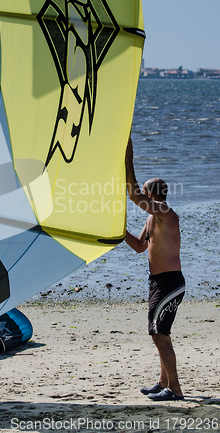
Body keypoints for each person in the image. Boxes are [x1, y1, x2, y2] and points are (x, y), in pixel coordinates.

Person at [124, 138, 185, 401]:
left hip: (170, 282)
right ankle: (163, 382)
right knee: (159, 334)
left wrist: (128, 159)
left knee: (161, 336)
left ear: (151, 195)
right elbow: (139, 246)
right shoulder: (152, 219)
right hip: (157, 283)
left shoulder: (166, 213)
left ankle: (175, 389)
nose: (142, 199)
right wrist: (116, 231)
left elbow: (133, 195)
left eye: (145, 195)